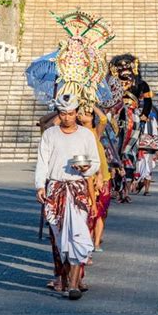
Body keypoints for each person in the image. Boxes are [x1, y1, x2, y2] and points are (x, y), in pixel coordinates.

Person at [35, 93, 100, 300]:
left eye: (70, 113)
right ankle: (64, 277)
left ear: (76, 113)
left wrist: (87, 168)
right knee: (59, 239)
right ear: (59, 114)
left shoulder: (86, 135)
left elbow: (96, 162)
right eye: (62, 113)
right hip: (55, 190)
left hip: (78, 189)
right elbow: (42, 162)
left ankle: (73, 284)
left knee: (78, 236)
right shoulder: (50, 135)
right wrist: (39, 185)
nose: (66, 117)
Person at [76, 105, 112, 251]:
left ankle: (96, 242)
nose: (86, 114)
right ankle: (87, 242)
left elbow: (103, 119)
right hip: (88, 178)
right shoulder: (77, 134)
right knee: (90, 210)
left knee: (102, 211)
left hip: (104, 176)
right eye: (83, 113)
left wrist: (93, 105)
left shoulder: (95, 132)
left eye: (89, 113)